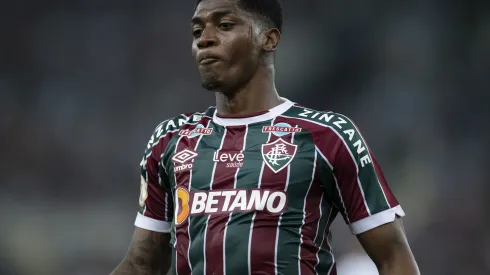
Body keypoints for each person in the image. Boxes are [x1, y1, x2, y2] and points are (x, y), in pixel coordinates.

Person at [110, 0, 420, 274]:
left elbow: (393, 257)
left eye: (225, 25)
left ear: (269, 38)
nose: (204, 40)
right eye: (196, 32)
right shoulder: (172, 139)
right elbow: (142, 264)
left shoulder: (327, 136)